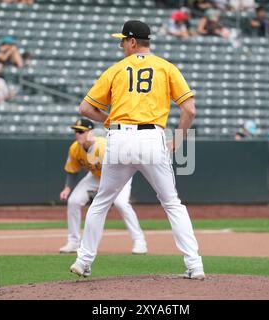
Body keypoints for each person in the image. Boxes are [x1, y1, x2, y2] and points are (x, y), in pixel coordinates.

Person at [69, 20, 205, 280]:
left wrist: (111, 121)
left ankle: (83, 260)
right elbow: (190, 110)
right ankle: (194, 265)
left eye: (122, 40)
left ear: (133, 42)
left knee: (101, 202)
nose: (120, 44)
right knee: (172, 204)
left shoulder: (116, 70)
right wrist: (177, 141)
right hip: (151, 138)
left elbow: (85, 109)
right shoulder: (166, 68)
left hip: (119, 138)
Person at [58, 118, 148, 254]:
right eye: (76, 131)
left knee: (121, 204)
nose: (77, 134)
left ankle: (139, 241)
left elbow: (123, 164)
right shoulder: (75, 148)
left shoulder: (103, 146)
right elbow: (72, 170)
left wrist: (107, 191)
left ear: (91, 133)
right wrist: (67, 188)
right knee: (74, 201)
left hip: (120, 176)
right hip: (96, 177)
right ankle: (74, 242)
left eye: (81, 131)